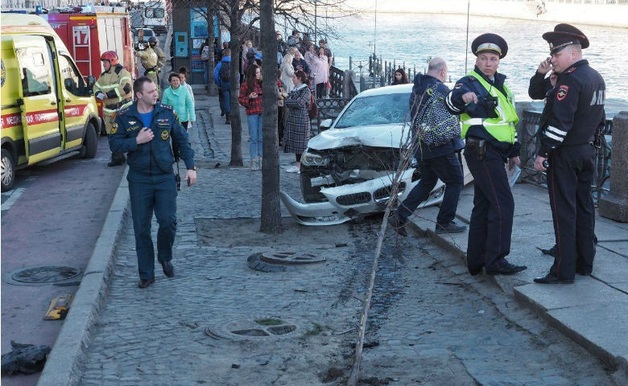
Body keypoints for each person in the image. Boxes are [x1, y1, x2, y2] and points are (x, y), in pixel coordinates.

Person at [445, 33, 526, 276]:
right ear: (477, 60)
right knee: (503, 203)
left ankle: (476, 260)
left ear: (498, 62)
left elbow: (509, 122)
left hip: (497, 153)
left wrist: (514, 152)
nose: (488, 62)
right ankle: (496, 261)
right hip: (482, 151)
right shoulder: (469, 82)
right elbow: (451, 101)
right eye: (484, 58)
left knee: (483, 204)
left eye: (493, 58)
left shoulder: (502, 85)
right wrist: (463, 97)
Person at [531, 24, 605, 284]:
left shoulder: (570, 80)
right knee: (585, 209)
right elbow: (599, 119)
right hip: (587, 152)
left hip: (566, 155)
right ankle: (585, 262)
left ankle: (562, 270)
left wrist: (542, 153)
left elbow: (559, 124)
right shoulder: (596, 77)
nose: (553, 59)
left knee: (564, 211)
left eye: (557, 54)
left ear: (573, 53)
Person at [109, 77, 197, 289]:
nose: (155, 94)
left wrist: (191, 167)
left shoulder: (166, 112)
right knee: (141, 228)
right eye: (150, 92)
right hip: (139, 179)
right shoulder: (124, 116)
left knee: (168, 221)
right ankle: (146, 274)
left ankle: (164, 256)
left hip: (164, 175)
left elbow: (182, 141)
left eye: (155, 91)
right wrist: (136, 141)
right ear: (139, 95)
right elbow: (114, 145)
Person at [390, 58, 466, 237]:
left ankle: (400, 216)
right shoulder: (440, 89)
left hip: (420, 144)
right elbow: (454, 110)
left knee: (427, 181)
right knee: (455, 181)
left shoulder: (417, 88)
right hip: (439, 145)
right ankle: (445, 222)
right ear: (442, 72)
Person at [94, 50, 133, 167]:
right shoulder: (103, 76)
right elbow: (95, 87)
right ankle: (117, 157)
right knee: (112, 135)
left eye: (105, 62)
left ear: (112, 61)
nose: (103, 64)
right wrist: (98, 94)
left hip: (123, 108)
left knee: (129, 133)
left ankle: (133, 156)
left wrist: (108, 94)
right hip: (109, 111)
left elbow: (126, 87)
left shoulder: (122, 72)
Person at [281, 70, 311, 173]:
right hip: (293, 118)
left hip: (301, 119)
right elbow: (292, 101)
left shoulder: (306, 90)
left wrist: (287, 99)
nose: (292, 79)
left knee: (302, 144)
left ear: (299, 78)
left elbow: (299, 103)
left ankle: (303, 165)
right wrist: (288, 99)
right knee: (296, 143)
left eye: (294, 77)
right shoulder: (295, 89)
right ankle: (297, 165)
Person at [238, 64, 264, 171]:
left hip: (262, 112)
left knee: (261, 138)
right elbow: (241, 99)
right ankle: (253, 160)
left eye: (259, 72)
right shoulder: (246, 85)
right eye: (257, 73)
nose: (258, 75)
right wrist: (249, 97)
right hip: (252, 112)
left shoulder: (263, 84)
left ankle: (261, 159)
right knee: (253, 138)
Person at [214, 48, 232, 124]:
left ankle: (227, 114)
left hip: (223, 83)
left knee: (225, 99)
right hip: (232, 83)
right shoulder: (233, 62)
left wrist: (218, 83)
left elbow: (215, 75)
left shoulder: (220, 63)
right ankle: (232, 113)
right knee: (232, 99)